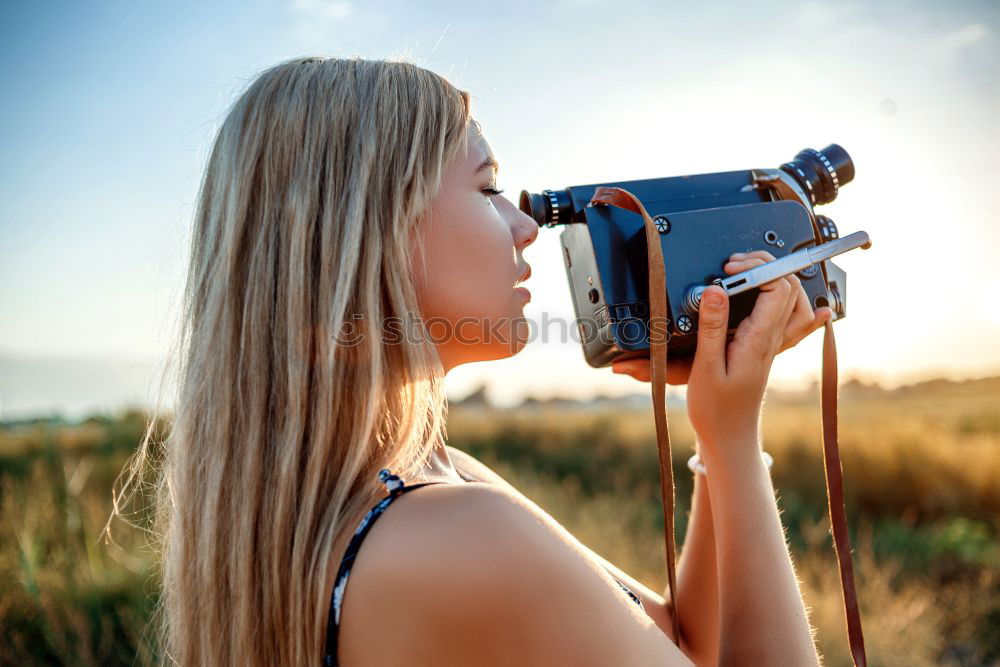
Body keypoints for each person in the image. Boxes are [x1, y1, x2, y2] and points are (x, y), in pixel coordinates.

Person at [116, 56, 832, 665]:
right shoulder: (459, 534)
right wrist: (738, 444)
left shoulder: (421, 481)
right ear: (367, 232)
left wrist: (715, 431)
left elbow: (681, 641)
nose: (525, 228)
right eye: (488, 187)